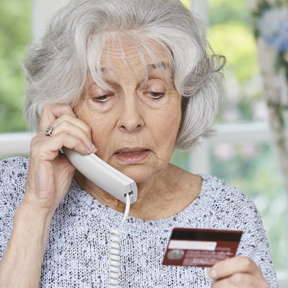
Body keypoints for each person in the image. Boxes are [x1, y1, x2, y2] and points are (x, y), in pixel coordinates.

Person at [0, 0, 278, 287]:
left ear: (185, 101)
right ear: (64, 107)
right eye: (102, 96)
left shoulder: (228, 212)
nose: (131, 120)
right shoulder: (12, 190)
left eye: (155, 93)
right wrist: (37, 208)